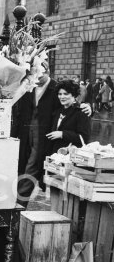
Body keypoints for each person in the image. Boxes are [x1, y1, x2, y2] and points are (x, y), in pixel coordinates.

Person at [11, 63, 92, 207]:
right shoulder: (27, 85)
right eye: (34, 74)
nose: (37, 77)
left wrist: (86, 107)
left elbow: (72, 109)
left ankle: (19, 203)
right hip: (25, 137)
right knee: (24, 166)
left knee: (34, 167)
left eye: (40, 74)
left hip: (45, 141)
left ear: (48, 72)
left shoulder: (56, 87)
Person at [45, 80, 90, 156]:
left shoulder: (81, 112)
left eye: (66, 94)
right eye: (60, 94)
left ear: (74, 95)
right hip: (55, 155)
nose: (62, 97)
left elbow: (84, 138)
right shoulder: (58, 111)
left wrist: (62, 134)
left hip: (69, 156)